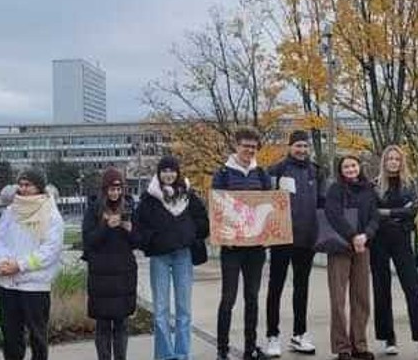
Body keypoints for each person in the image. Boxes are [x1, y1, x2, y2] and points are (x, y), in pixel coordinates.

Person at [135, 155, 210, 360]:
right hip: (159, 257)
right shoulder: (149, 198)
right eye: (164, 170)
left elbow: (203, 221)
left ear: (178, 173)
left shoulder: (188, 196)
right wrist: (152, 240)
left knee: (184, 309)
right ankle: (164, 355)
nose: (168, 174)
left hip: (183, 256)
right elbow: (138, 226)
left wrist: (190, 233)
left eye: (172, 170)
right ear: (159, 173)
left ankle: (182, 354)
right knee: (161, 309)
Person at [0, 169, 65, 360]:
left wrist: (20, 265)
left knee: (37, 337)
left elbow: (49, 251)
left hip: (34, 286)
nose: (22, 189)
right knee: (10, 336)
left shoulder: (51, 215)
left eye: (27, 185)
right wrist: (2, 261)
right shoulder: (11, 211)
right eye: (21, 185)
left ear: (39, 187)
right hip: (8, 284)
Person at [212, 126, 273, 360]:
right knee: (228, 298)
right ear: (237, 146)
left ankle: (250, 348)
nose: (249, 150)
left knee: (252, 298)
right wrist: (224, 235)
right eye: (245, 146)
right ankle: (222, 349)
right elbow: (217, 208)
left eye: (253, 147)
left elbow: (269, 206)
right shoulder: (223, 174)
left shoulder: (262, 174)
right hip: (232, 248)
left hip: (255, 248)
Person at [370, 145, 418, 358]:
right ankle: (388, 338)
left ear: (402, 162)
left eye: (397, 159)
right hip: (379, 241)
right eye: (390, 158)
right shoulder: (375, 185)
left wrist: (388, 212)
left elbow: (413, 210)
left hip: (402, 239)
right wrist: (399, 213)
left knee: (414, 290)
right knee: (381, 289)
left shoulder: (410, 184)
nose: (393, 162)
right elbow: (372, 213)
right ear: (384, 161)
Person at [264, 130, 320, 357]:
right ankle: (272, 335)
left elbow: (323, 203)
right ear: (290, 147)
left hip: (307, 240)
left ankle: (299, 334)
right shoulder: (276, 170)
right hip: (282, 239)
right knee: (275, 287)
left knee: (301, 288)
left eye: (305, 146)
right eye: (298, 146)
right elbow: (265, 201)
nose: (302, 150)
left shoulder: (316, 171)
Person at [324, 154, 379, 360]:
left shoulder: (369, 189)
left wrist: (366, 235)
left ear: (359, 167)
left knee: (361, 297)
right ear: (341, 170)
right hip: (340, 247)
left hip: (363, 247)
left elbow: (375, 216)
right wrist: (353, 235)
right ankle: (342, 347)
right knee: (338, 299)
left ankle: (359, 345)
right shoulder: (335, 189)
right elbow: (333, 215)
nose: (350, 169)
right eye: (346, 167)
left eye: (353, 165)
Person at [83, 168, 140, 360]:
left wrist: (129, 230)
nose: (115, 193)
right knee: (103, 325)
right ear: (104, 189)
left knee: (122, 324)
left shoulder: (130, 208)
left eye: (118, 189)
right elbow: (89, 241)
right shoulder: (93, 210)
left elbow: (138, 241)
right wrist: (106, 226)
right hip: (101, 276)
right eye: (111, 189)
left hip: (124, 275)